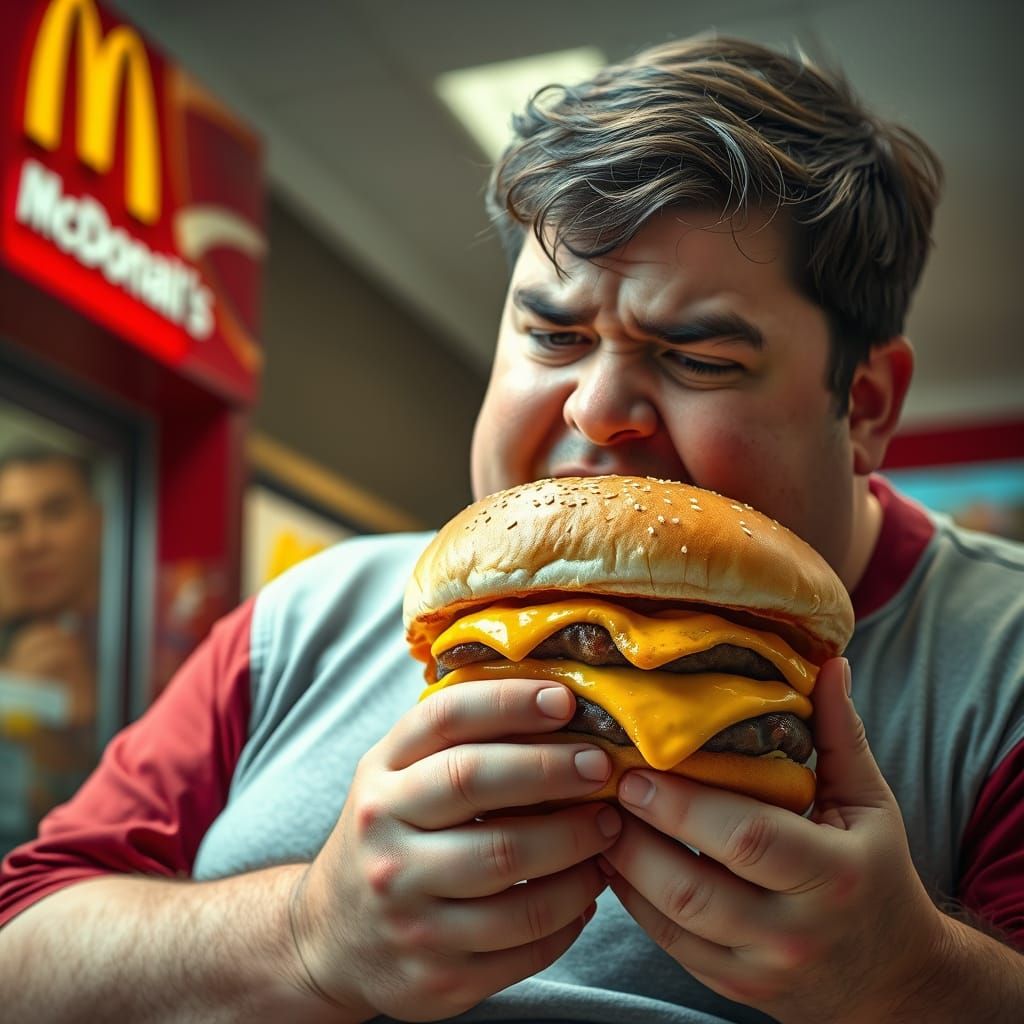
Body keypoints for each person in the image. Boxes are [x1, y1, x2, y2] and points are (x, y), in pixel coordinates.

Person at [1, 34, 1023, 1022]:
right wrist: (308, 942)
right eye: (551, 333)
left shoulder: (1000, 665)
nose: (592, 408)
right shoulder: (307, 616)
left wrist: (912, 982)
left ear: (870, 405)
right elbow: (20, 956)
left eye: (699, 357)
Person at [0, 445, 101, 849]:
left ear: (98, 523)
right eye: (10, 523)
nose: (33, 541)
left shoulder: (142, 643)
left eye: (56, 512)